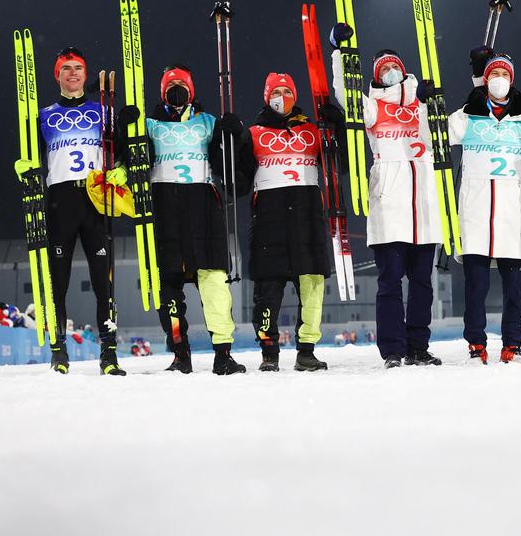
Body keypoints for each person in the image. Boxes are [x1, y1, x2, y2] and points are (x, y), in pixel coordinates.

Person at [14, 47, 128, 375]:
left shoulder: (102, 111)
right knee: (58, 282)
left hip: (95, 200)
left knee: (103, 283)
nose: (74, 73)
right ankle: (58, 351)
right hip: (60, 202)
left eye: (78, 67)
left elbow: (121, 153)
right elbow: (31, 159)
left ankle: (109, 354)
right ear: (58, 75)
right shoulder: (44, 115)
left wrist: (120, 168)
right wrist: (24, 167)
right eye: (66, 68)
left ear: (84, 73)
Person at [331, 32, 443, 368]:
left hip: (423, 200)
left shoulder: (420, 100)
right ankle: (393, 349)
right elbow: (344, 94)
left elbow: (434, 139)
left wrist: (426, 103)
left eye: (394, 66)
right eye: (384, 68)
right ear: (376, 76)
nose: (390, 71)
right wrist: (340, 53)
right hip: (389, 201)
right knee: (390, 282)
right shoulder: (372, 105)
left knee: (422, 283)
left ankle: (418, 346)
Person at [126, 63, 246, 375]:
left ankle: (223, 353)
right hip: (165, 210)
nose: (176, 89)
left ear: (191, 89)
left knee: (215, 283)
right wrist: (125, 132)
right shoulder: (150, 124)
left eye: (181, 84)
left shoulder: (208, 122)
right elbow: (134, 165)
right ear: (162, 91)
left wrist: (233, 134)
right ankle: (181, 353)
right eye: (170, 84)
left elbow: (226, 166)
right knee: (168, 288)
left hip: (203, 209)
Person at [451, 49, 521, 364]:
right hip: (476, 207)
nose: (499, 80)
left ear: (512, 80)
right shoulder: (468, 114)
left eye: (504, 75)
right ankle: (476, 345)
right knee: (476, 286)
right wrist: (430, 105)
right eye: (493, 75)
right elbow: (436, 135)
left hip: (511, 207)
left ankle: (513, 344)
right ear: (486, 80)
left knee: (513, 287)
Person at [238, 71, 341, 371]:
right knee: (267, 291)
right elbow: (240, 182)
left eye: (286, 91)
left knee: (312, 286)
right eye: (275, 92)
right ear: (266, 96)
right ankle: (269, 352)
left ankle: (306, 350)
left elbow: (340, 166)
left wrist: (338, 129)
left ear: (295, 96)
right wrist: (228, 144)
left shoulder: (312, 130)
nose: (280, 97)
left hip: (307, 221)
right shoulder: (254, 132)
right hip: (269, 223)